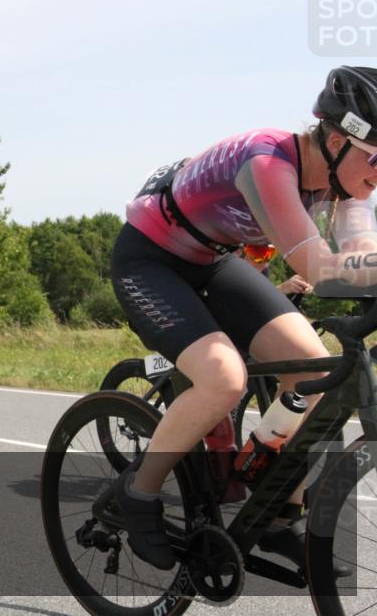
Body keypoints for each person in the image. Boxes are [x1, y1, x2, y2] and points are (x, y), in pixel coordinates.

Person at [110, 66, 377, 573]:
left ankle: (278, 512)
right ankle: (139, 491)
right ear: (337, 140)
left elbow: (363, 257)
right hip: (150, 260)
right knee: (224, 378)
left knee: (314, 370)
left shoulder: (348, 184)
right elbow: (320, 268)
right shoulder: (267, 161)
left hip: (214, 260)